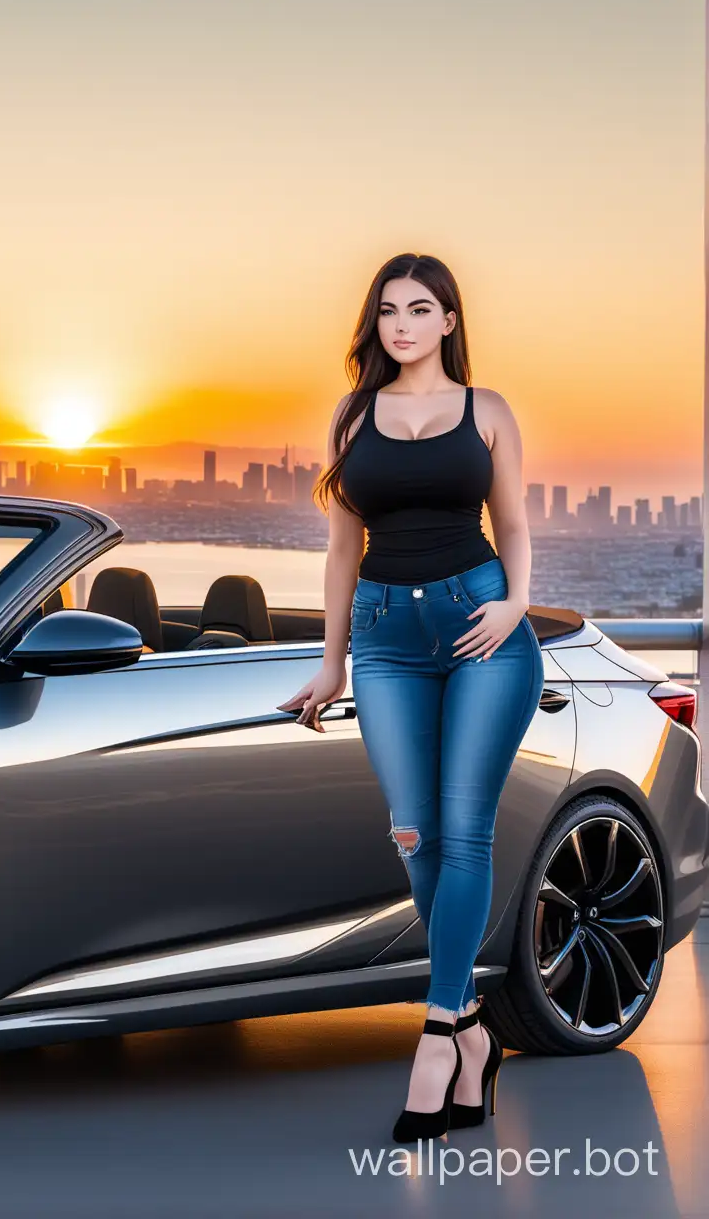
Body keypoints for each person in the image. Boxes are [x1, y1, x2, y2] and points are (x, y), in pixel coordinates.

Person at [279, 252, 540, 1143]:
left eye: (419, 309)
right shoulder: (354, 418)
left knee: (464, 830)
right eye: (387, 310)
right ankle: (471, 1027)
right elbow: (342, 547)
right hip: (386, 641)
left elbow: (512, 525)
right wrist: (332, 663)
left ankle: (434, 1036)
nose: (400, 324)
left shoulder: (488, 411)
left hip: (483, 632)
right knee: (414, 833)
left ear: (448, 322)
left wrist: (512, 603)